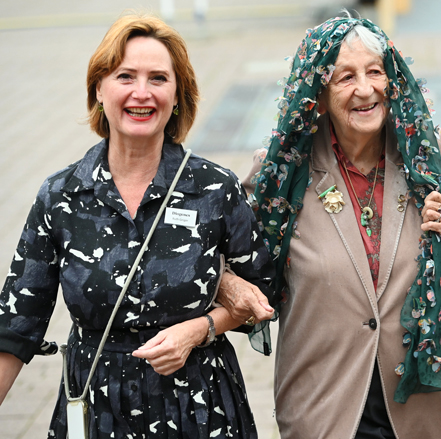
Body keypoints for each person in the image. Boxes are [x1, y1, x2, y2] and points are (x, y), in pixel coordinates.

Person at [219, 13, 441, 438]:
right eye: (345, 77)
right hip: (326, 407)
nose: (366, 89)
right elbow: (230, 265)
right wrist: (229, 288)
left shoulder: (435, 155)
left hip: (427, 409)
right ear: (318, 92)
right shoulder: (282, 172)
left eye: (376, 72)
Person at [0, 14, 275, 439]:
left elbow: (266, 289)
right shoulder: (61, 195)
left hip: (200, 412)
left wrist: (200, 328)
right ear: (99, 89)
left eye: (158, 79)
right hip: (97, 409)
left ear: (178, 95)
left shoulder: (214, 189)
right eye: (125, 76)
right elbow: (16, 325)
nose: (141, 93)